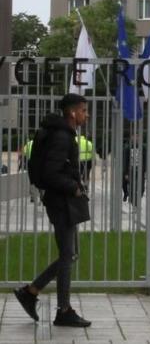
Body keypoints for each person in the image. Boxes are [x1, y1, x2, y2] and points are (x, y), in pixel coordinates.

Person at [14, 93, 91, 327]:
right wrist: (74, 188)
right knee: (68, 255)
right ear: (72, 112)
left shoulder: (61, 134)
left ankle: (32, 291)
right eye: (84, 111)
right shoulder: (61, 137)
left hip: (62, 201)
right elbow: (50, 173)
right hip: (62, 202)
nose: (86, 116)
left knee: (71, 254)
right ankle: (63, 310)